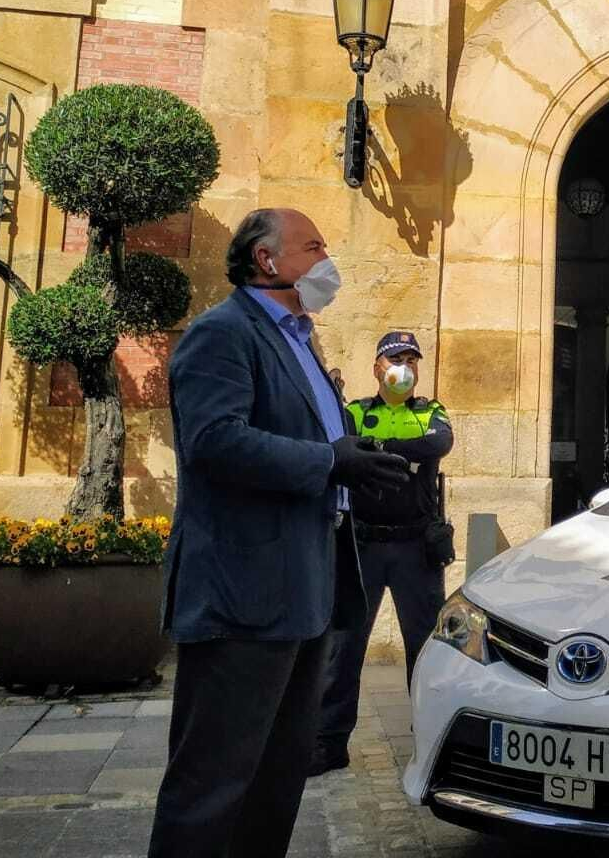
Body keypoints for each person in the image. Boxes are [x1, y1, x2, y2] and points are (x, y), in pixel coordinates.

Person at [148, 209, 410, 858]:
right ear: (268, 261)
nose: (328, 259)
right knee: (212, 787)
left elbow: (308, 439)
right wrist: (330, 462)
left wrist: (353, 459)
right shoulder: (223, 334)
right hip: (243, 594)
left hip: (306, 592)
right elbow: (214, 442)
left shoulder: (301, 339)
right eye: (314, 246)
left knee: (277, 780)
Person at [311, 330, 455, 776]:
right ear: (377, 366)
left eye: (411, 360)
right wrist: (401, 456)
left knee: (426, 648)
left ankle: (432, 742)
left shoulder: (431, 410)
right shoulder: (354, 411)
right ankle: (329, 743)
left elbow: (437, 444)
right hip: (364, 544)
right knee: (345, 645)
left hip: (416, 546)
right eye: (396, 359)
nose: (404, 368)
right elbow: (342, 450)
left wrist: (376, 451)